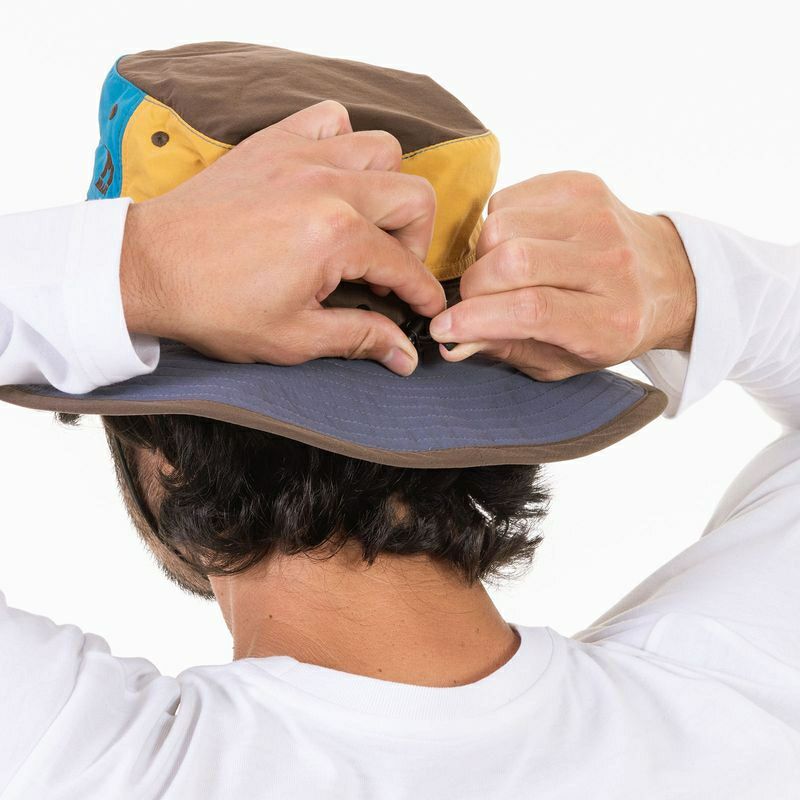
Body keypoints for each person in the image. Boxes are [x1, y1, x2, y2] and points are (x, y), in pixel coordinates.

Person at [1, 42, 799, 799]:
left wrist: (137, 269)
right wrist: (686, 282)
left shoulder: (83, 763)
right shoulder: (734, 710)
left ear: (154, 445)